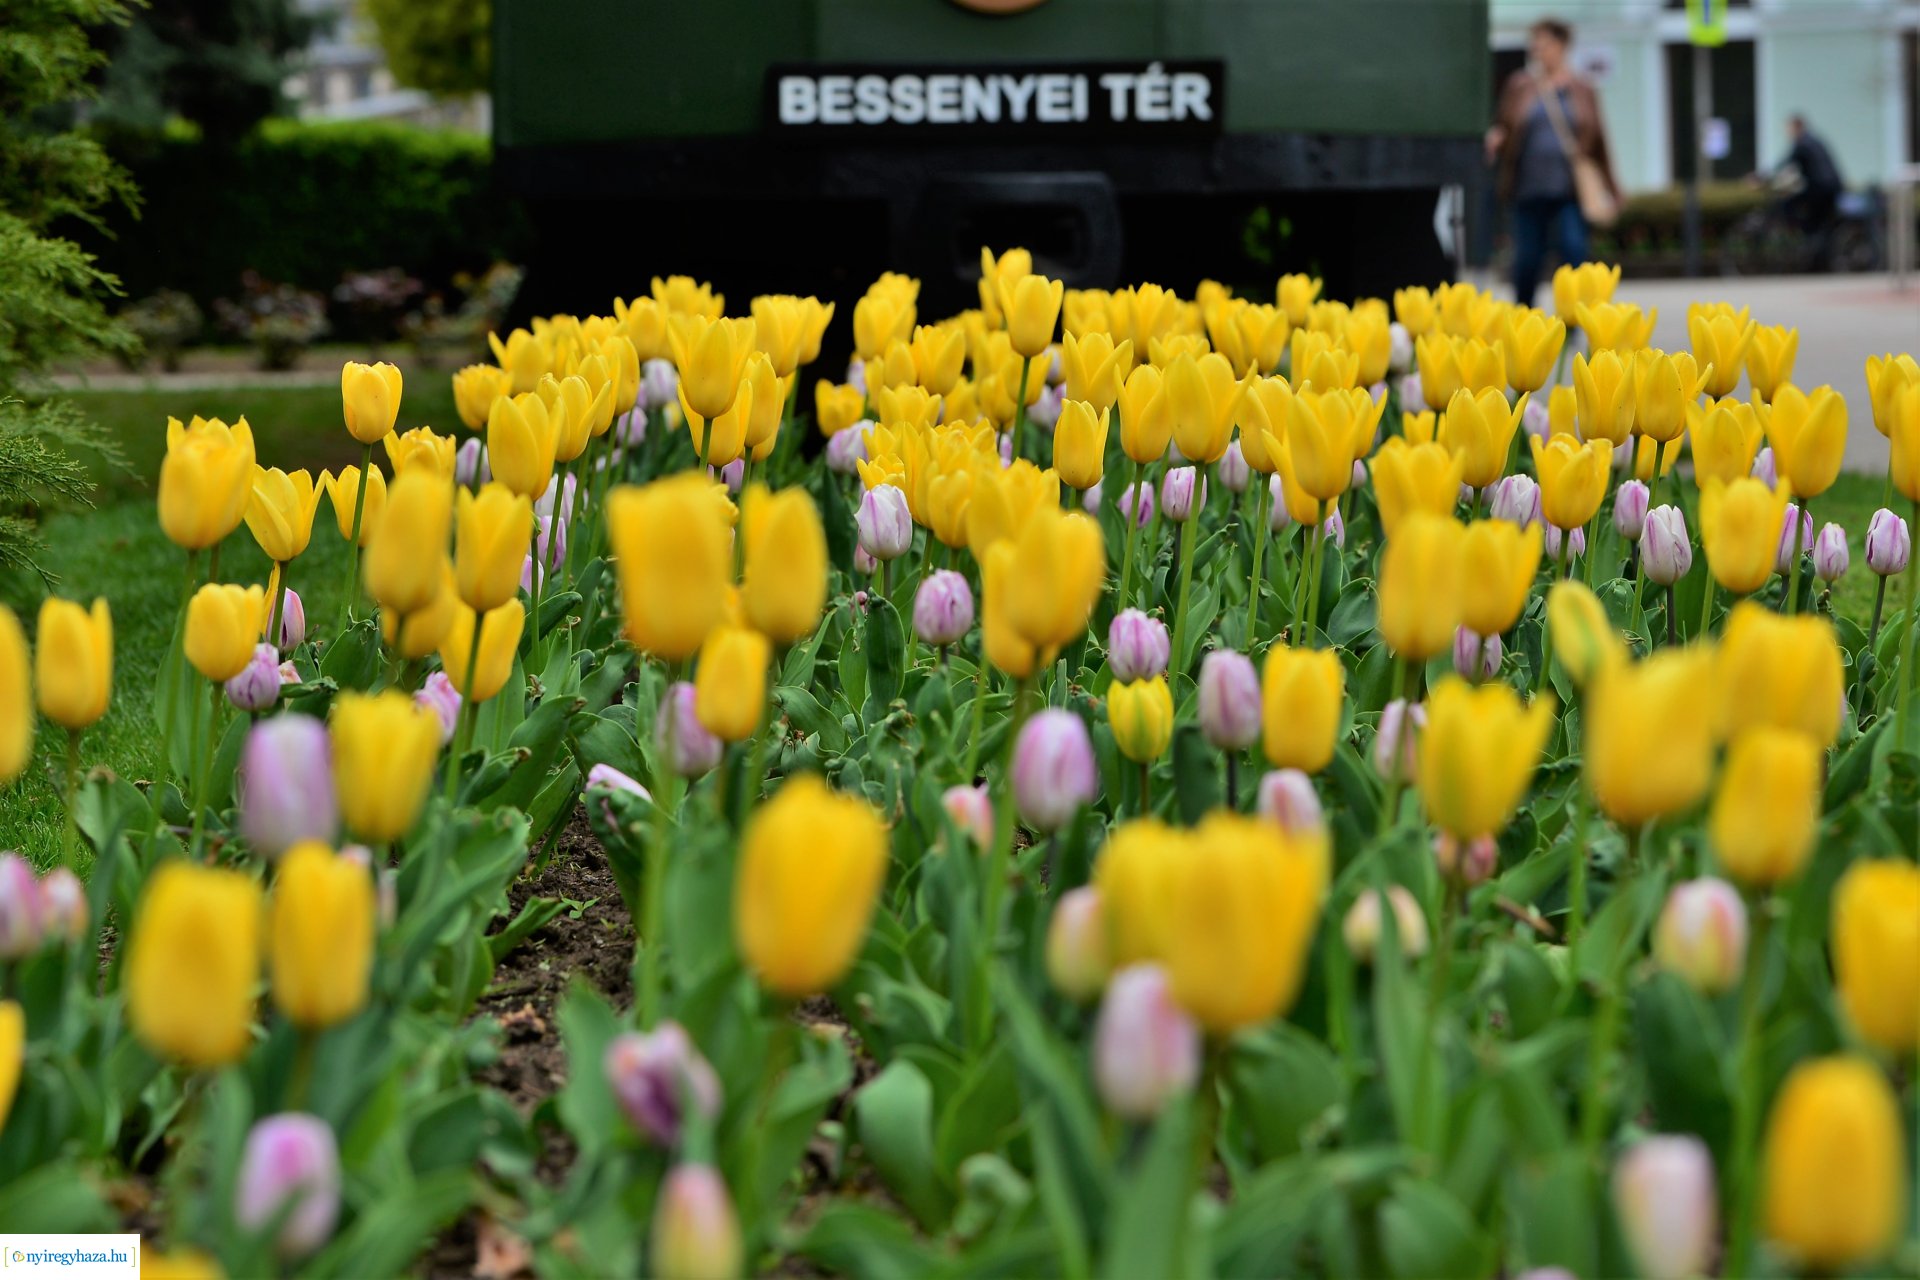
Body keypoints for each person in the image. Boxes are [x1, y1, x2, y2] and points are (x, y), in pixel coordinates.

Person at [1486, 19, 1621, 307]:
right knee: (1527, 260)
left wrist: (1613, 188)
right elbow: (1504, 125)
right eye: (1534, 44)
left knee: (1574, 253)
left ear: (1562, 46)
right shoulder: (1520, 85)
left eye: (1544, 44)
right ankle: (1524, 320)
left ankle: (1574, 321)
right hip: (1527, 189)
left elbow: (1599, 142)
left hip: (1569, 191)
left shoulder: (1582, 88)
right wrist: (1496, 137)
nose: (1538, 50)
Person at [1767, 114, 1844, 240]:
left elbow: (1787, 162)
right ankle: (1814, 243)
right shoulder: (1814, 140)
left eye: (1789, 129)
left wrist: (1763, 176)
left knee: (1787, 204)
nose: (1788, 133)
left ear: (1797, 128)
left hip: (1821, 188)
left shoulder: (1803, 144)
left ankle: (1804, 237)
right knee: (1819, 221)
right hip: (1832, 187)